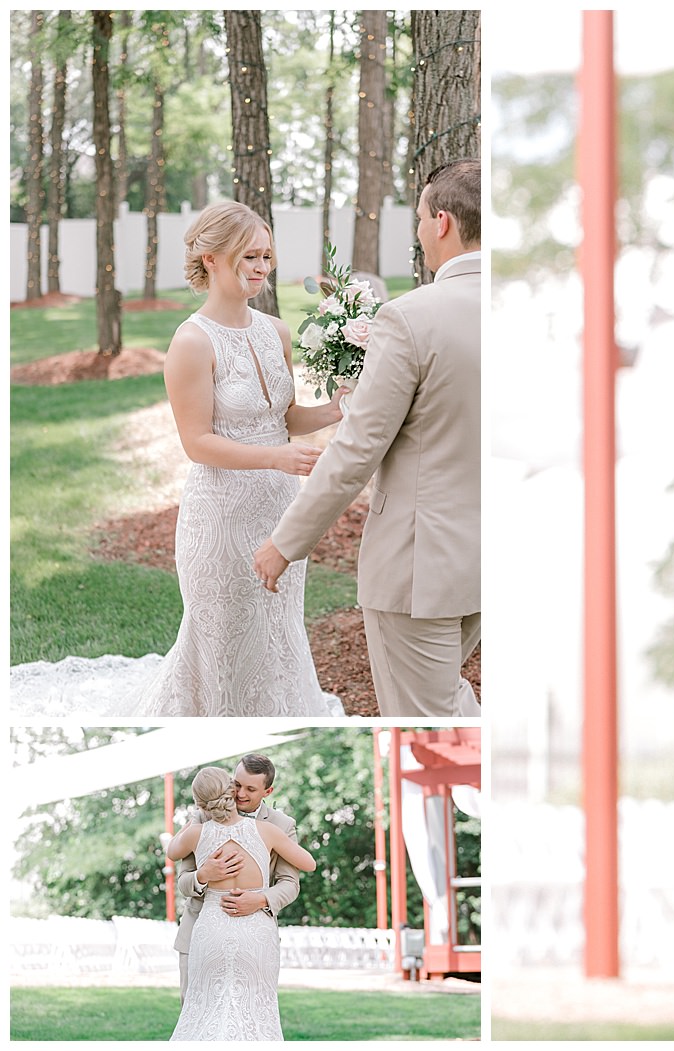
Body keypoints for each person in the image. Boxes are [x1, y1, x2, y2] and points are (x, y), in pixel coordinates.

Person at [256, 159, 483, 717]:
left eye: (423, 218)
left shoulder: (411, 318)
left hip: (419, 566)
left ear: (444, 223)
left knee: (427, 721)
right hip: (487, 558)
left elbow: (358, 449)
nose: (422, 232)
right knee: (444, 703)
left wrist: (285, 544)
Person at [135, 201, 345, 716]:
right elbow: (196, 442)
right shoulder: (190, 341)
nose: (262, 267)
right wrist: (275, 458)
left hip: (280, 510)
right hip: (221, 517)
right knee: (226, 644)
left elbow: (284, 415)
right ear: (209, 257)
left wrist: (335, 410)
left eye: (267, 256)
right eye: (249, 255)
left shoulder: (275, 331)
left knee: (277, 633)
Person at [165, 761, 317, 1041]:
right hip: (227, 931)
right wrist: (202, 875)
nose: (241, 793)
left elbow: (290, 884)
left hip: (224, 925)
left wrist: (260, 899)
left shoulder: (277, 824)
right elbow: (309, 863)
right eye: (237, 785)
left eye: (250, 788)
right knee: (244, 1012)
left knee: (205, 1018)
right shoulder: (266, 832)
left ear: (267, 790)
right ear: (228, 786)